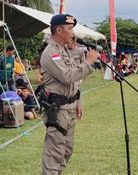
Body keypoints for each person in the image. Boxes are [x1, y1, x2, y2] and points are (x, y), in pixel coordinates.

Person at [40, 14, 99, 175]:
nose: (73, 33)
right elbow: (67, 77)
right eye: (70, 28)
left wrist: (78, 101)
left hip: (69, 108)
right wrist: (88, 62)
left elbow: (75, 81)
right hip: (58, 110)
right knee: (55, 154)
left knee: (66, 151)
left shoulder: (65, 50)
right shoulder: (51, 52)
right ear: (59, 30)